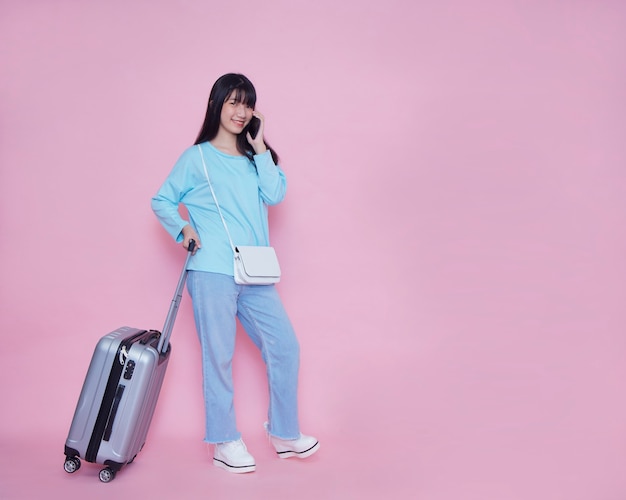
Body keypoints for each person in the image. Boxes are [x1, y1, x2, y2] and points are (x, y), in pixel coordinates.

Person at [151, 73, 319, 473]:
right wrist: (183, 228)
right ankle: (224, 441)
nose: (241, 112)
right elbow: (162, 199)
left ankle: (283, 433)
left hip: (255, 273)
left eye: (248, 104)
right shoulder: (197, 158)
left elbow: (276, 194)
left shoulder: (254, 160)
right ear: (216, 105)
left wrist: (260, 147)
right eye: (233, 102)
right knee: (220, 357)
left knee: (285, 347)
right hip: (211, 272)